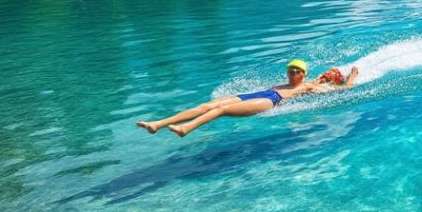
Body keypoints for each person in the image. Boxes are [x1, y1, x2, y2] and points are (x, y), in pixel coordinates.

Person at [135, 60, 359, 137]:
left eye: (296, 72)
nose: (291, 74)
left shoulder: (309, 86)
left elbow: (341, 90)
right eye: (290, 71)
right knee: (207, 105)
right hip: (255, 94)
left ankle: (186, 129)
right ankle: (158, 124)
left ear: (303, 74)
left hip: (270, 99)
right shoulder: (302, 80)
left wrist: (351, 77)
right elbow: (320, 78)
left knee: (221, 111)